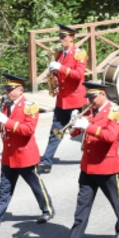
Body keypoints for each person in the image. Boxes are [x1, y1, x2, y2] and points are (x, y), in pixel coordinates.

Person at [55, 81, 119, 238]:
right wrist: (74, 123)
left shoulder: (115, 111)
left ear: (103, 94)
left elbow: (110, 136)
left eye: (93, 97)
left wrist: (88, 126)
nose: (90, 101)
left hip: (106, 165)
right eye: (89, 97)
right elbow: (75, 133)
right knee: (82, 205)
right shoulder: (88, 110)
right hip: (87, 165)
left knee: (116, 201)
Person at [0, 73, 54, 234]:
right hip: (9, 154)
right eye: (6, 89)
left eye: (11, 89)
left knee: (35, 185)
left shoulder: (30, 106)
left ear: (20, 90)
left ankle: (47, 209)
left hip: (25, 154)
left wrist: (7, 122)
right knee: (4, 188)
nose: (8, 92)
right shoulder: (5, 105)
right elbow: (3, 128)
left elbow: (28, 130)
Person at [39, 24, 88, 173]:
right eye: (59, 37)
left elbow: (78, 75)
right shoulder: (59, 54)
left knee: (81, 131)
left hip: (75, 99)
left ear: (72, 38)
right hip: (62, 99)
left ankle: (90, 157)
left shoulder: (80, 53)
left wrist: (61, 68)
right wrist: (53, 75)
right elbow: (59, 74)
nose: (61, 40)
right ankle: (47, 161)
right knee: (55, 130)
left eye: (63, 37)